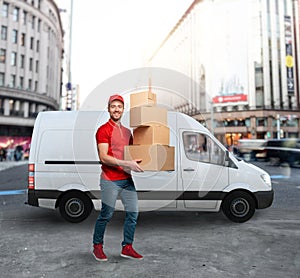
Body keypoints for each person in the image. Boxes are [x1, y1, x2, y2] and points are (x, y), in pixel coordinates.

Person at [92, 94, 144, 262]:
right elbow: (103, 157)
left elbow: (134, 153)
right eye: (113, 106)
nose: (116, 109)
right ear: (108, 109)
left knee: (133, 213)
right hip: (110, 179)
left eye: (119, 106)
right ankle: (97, 247)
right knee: (106, 214)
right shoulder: (103, 130)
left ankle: (127, 247)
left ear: (123, 109)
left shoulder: (128, 132)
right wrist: (126, 163)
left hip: (127, 179)